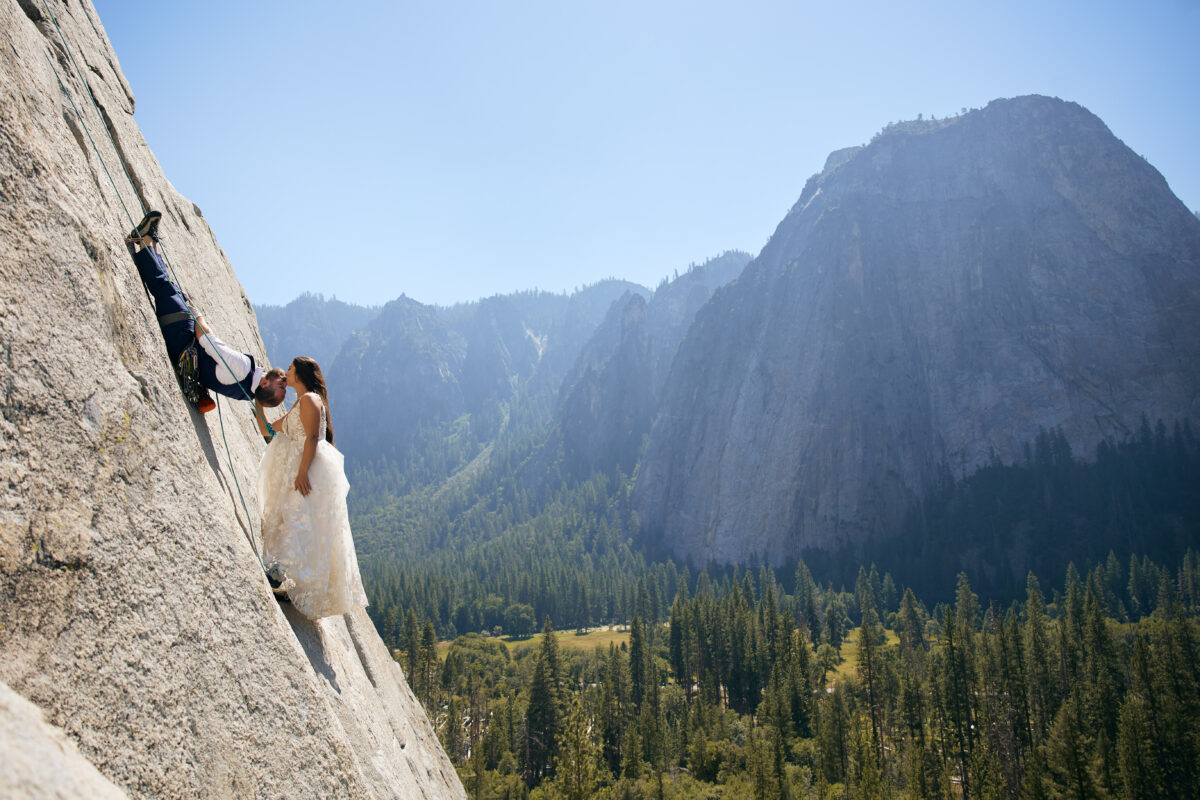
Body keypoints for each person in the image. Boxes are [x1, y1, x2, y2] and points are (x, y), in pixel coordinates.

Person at [125, 210, 286, 414]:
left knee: (165, 287)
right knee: (171, 289)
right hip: (181, 349)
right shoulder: (243, 392)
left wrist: (197, 314)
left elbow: (205, 338)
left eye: (281, 385)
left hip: (183, 335)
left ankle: (144, 240)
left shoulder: (243, 368)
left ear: (264, 384)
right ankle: (149, 241)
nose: (284, 381)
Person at [255, 356, 368, 619]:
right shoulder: (300, 403)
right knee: (292, 519)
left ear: (301, 374)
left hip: (308, 472)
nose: (286, 373)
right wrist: (258, 403)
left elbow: (314, 436)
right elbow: (268, 430)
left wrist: (303, 471)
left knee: (298, 519)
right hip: (298, 471)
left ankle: (283, 575)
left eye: (290, 369)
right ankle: (287, 577)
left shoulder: (309, 399)